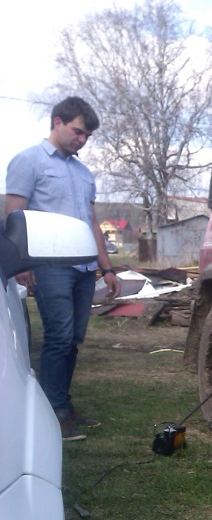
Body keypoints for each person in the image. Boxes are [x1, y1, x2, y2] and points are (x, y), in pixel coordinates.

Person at [4, 96, 121, 441]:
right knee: (57, 338)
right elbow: (14, 215)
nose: (82, 140)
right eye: (77, 131)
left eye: (87, 136)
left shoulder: (83, 173)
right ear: (57, 122)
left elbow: (93, 224)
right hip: (51, 266)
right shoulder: (29, 161)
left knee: (71, 340)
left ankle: (63, 404)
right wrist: (21, 264)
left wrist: (108, 269)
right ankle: (52, 412)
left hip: (84, 268)